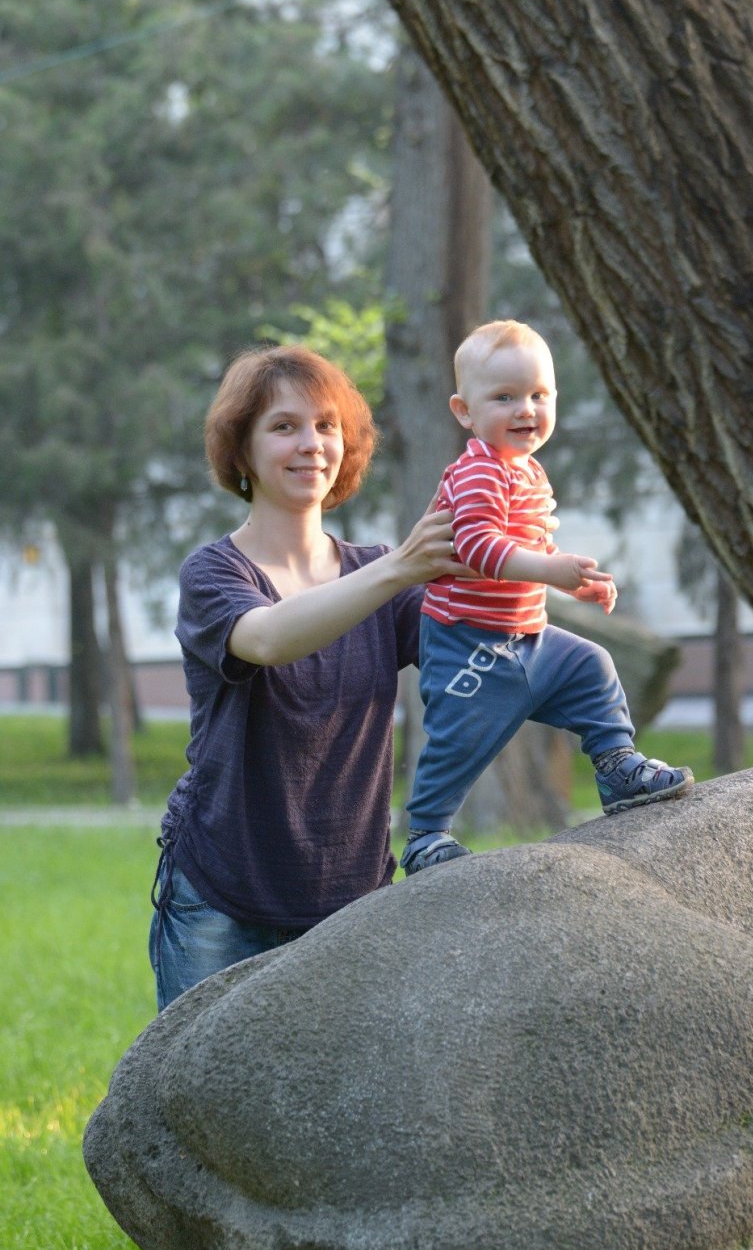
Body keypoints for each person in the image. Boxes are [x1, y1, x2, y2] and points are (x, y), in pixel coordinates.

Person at [149, 344, 468, 1011]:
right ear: (242, 449)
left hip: (351, 903)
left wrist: (520, 556)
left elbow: (474, 646)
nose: (311, 444)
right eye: (284, 425)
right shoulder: (213, 574)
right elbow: (266, 638)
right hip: (221, 900)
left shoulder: (382, 570)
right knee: (201, 1103)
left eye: (327, 425)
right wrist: (396, 571)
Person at [400, 319, 693, 875]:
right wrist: (553, 570)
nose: (526, 409)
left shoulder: (526, 470)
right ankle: (425, 835)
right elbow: (481, 548)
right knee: (459, 739)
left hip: (527, 634)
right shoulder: (479, 471)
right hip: (468, 641)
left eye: (539, 395)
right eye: (505, 397)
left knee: (591, 665)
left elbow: (527, 550)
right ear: (464, 411)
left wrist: (573, 581)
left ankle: (615, 765)